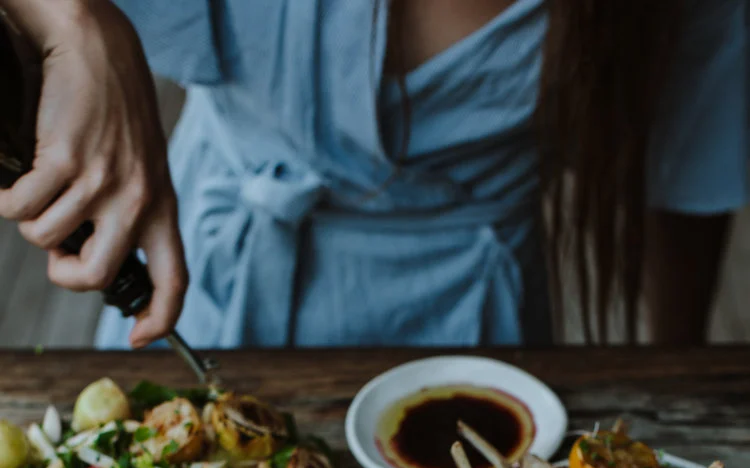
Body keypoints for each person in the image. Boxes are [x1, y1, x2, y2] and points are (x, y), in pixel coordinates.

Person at [0, 0, 747, 351]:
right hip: (203, 267)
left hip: (472, 324)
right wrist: (72, 20)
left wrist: (671, 379)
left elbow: (688, 167)